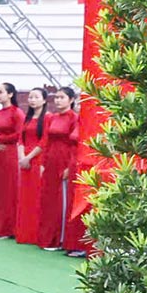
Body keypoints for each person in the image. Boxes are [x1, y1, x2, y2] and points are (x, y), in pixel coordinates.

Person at [36, 86, 80, 252]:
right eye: (57, 98)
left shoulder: (73, 118)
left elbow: (73, 145)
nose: (58, 100)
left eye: (62, 97)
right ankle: (48, 237)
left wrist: (69, 167)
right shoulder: (52, 118)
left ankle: (61, 238)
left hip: (64, 160)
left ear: (71, 100)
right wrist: (43, 162)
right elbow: (46, 141)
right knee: (49, 200)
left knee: (62, 200)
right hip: (51, 161)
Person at [0, 83, 23, 240]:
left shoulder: (17, 113)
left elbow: (19, 134)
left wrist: (0, 139)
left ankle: (7, 228)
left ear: (10, 94)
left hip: (10, 154)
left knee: (8, 190)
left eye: (1, 92)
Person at [15, 87, 46, 249]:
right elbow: (20, 139)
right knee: (24, 197)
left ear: (44, 100)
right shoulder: (27, 119)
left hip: (37, 159)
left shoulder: (47, 118)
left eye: (36, 97)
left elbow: (44, 142)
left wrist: (29, 157)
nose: (32, 100)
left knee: (36, 197)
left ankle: (34, 233)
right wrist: (21, 157)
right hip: (24, 161)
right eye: (30, 97)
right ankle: (23, 232)